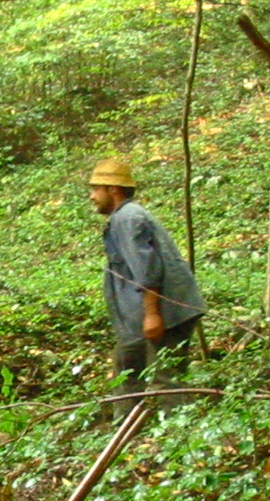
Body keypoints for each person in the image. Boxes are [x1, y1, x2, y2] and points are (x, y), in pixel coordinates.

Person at [88, 159, 206, 412]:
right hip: (137, 320)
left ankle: (174, 428)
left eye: (96, 189)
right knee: (127, 369)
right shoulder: (123, 218)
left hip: (166, 314)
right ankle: (126, 427)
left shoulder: (128, 219)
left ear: (113, 189)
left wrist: (153, 316)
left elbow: (147, 270)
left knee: (166, 379)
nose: (92, 196)